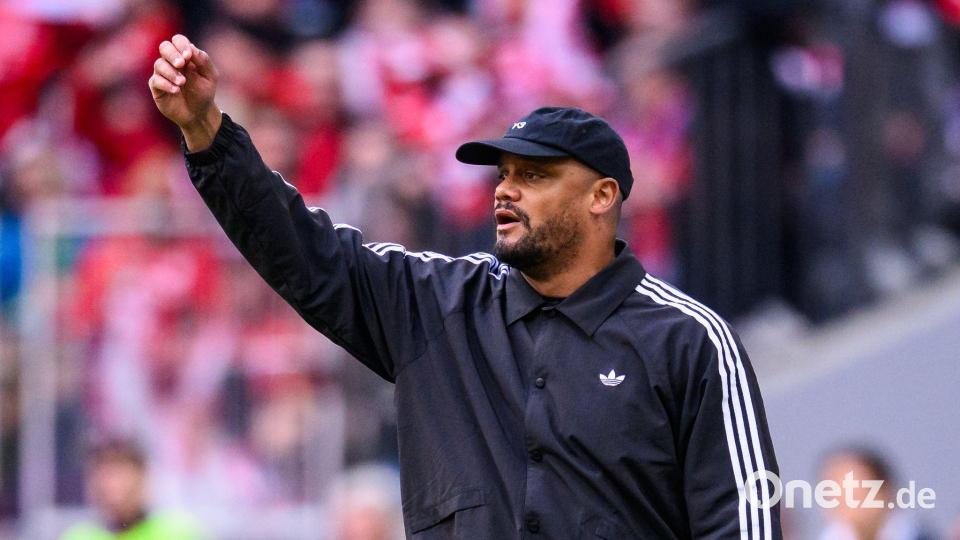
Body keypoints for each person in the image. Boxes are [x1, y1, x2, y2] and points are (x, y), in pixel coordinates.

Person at [149, 33, 782, 539]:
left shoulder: (690, 340)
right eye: (504, 173)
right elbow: (304, 252)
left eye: (534, 175)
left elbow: (744, 522)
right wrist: (208, 132)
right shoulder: (434, 303)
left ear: (602, 196)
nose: (505, 188)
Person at [60, 439, 204, 540]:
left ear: (142, 476)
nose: (111, 483)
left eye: (120, 470)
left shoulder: (178, 534)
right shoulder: (78, 537)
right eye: (103, 472)